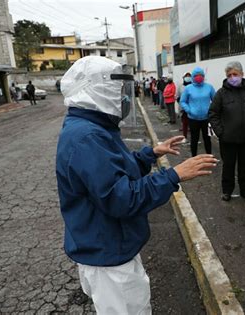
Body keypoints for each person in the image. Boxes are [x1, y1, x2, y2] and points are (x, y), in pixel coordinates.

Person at [56, 56, 217, 314]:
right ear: (97, 90)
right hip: (108, 255)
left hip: (110, 245)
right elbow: (121, 198)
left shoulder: (93, 127)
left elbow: (115, 170)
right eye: (117, 90)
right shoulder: (87, 137)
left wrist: (150, 154)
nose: (124, 98)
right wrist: (173, 176)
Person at [209, 61, 245, 201]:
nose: (232, 77)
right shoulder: (221, 94)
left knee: (244, 166)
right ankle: (227, 191)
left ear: (242, 74)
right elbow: (213, 113)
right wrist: (220, 132)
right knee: (228, 166)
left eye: (235, 74)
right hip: (227, 139)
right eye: (229, 75)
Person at [180, 67, 216, 157]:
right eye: (196, 75)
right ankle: (194, 158)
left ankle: (209, 157)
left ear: (203, 76)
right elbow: (182, 101)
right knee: (194, 139)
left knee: (207, 139)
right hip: (193, 119)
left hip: (206, 119)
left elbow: (215, 101)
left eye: (201, 75)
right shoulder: (188, 88)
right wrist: (189, 110)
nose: (198, 77)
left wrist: (210, 110)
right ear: (193, 77)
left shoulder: (209, 87)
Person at [177, 72, 192, 143]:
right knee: (185, 124)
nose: (188, 77)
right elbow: (177, 96)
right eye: (186, 76)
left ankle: (194, 137)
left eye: (189, 76)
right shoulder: (180, 86)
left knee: (192, 124)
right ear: (183, 77)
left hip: (192, 108)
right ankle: (185, 137)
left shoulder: (194, 86)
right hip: (184, 109)